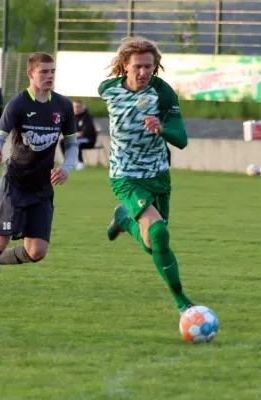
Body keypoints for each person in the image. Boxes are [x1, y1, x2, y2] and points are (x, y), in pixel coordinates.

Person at [0, 52, 79, 317]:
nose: (49, 76)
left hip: (42, 188)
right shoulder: (18, 103)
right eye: (44, 71)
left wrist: (66, 168)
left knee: (37, 252)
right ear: (31, 74)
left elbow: (72, 143)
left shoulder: (63, 106)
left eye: (52, 71)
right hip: (15, 185)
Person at [99, 36, 195, 314]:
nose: (143, 72)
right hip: (125, 176)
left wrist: (162, 129)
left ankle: (124, 220)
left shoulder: (163, 94)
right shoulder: (108, 90)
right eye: (138, 66)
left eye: (149, 67)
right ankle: (181, 301)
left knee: (153, 243)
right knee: (159, 232)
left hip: (158, 175)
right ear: (124, 66)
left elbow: (182, 139)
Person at [59, 99, 100, 170]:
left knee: (77, 142)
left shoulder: (86, 117)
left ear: (82, 107)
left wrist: (77, 134)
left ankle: (81, 163)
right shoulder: (72, 117)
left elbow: (86, 131)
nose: (76, 109)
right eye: (75, 107)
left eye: (78, 107)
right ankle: (66, 161)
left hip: (89, 140)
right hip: (76, 138)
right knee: (62, 141)